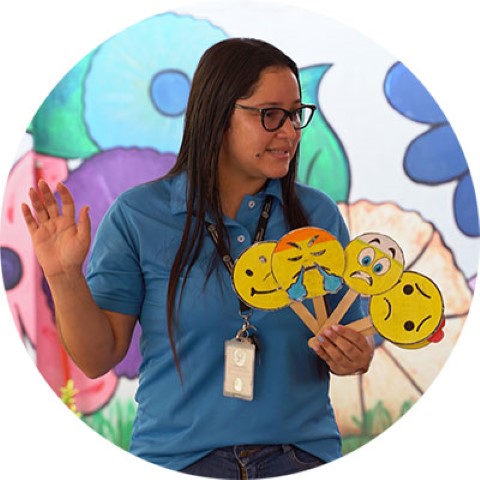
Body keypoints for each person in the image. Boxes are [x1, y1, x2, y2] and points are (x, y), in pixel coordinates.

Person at [22, 38, 374, 478]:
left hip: (300, 456)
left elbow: (352, 339)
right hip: (179, 459)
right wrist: (63, 275)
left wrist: (354, 355)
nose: (290, 132)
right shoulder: (138, 215)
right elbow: (97, 358)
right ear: (217, 116)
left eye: (296, 114)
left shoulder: (317, 216)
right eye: (271, 115)